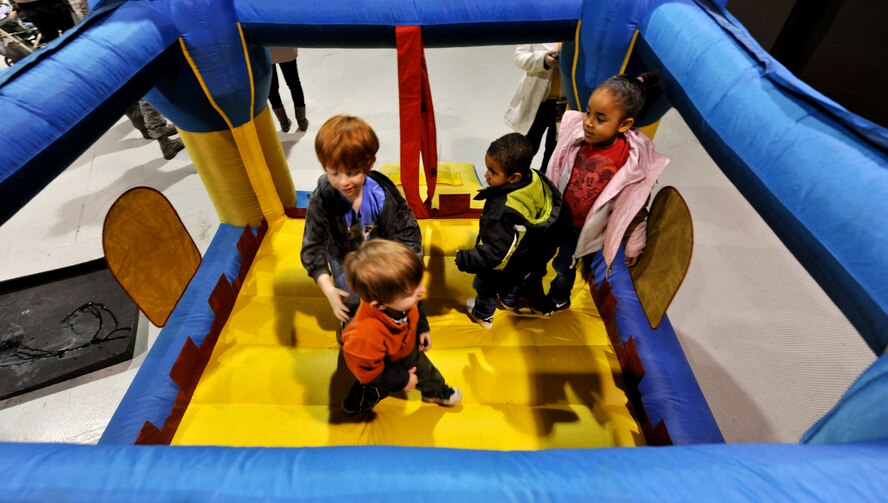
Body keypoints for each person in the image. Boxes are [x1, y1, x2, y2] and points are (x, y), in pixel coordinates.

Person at [531, 73, 669, 316]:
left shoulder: (631, 163)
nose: (589, 122)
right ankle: (530, 284)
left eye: (600, 118)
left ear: (624, 124)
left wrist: (634, 244)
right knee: (539, 251)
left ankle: (558, 298)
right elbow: (555, 167)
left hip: (581, 229)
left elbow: (632, 208)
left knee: (564, 266)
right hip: (558, 215)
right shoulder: (578, 137)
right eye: (588, 112)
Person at [301, 115, 422, 331]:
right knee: (351, 299)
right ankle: (354, 326)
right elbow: (311, 248)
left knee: (386, 294)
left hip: (380, 254)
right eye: (334, 173)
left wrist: (407, 277)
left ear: (369, 164)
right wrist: (329, 289)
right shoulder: (322, 200)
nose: (344, 181)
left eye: (353, 172)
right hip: (342, 257)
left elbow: (408, 236)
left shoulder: (383, 197)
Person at [340, 239, 462, 415]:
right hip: (383, 368)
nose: (421, 292)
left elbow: (416, 307)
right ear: (380, 304)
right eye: (411, 292)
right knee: (370, 391)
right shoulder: (364, 335)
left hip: (408, 350)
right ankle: (356, 405)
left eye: (419, 283)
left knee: (428, 372)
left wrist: (422, 329)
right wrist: (402, 381)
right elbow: (368, 373)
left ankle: (434, 391)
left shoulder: (401, 299)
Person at [455, 133, 564, 329]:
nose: (486, 175)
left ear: (514, 177)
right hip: (530, 254)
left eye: (493, 171)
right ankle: (509, 300)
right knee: (515, 281)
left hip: (506, 262)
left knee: (485, 286)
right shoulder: (536, 178)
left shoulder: (500, 210)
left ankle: (483, 315)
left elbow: (493, 254)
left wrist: (465, 259)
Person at [503, 43, 563, 174]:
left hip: (564, 103)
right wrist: (543, 60)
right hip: (538, 101)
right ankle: (515, 182)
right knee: (526, 148)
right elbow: (519, 58)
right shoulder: (538, 26)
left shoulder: (580, 29)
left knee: (554, 153)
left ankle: (545, 185)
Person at [267, 47, 308, 132]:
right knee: (294, 83)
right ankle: (302, 121)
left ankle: (284, 123)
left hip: (265, 49)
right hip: (284, 45)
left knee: (272, 88)